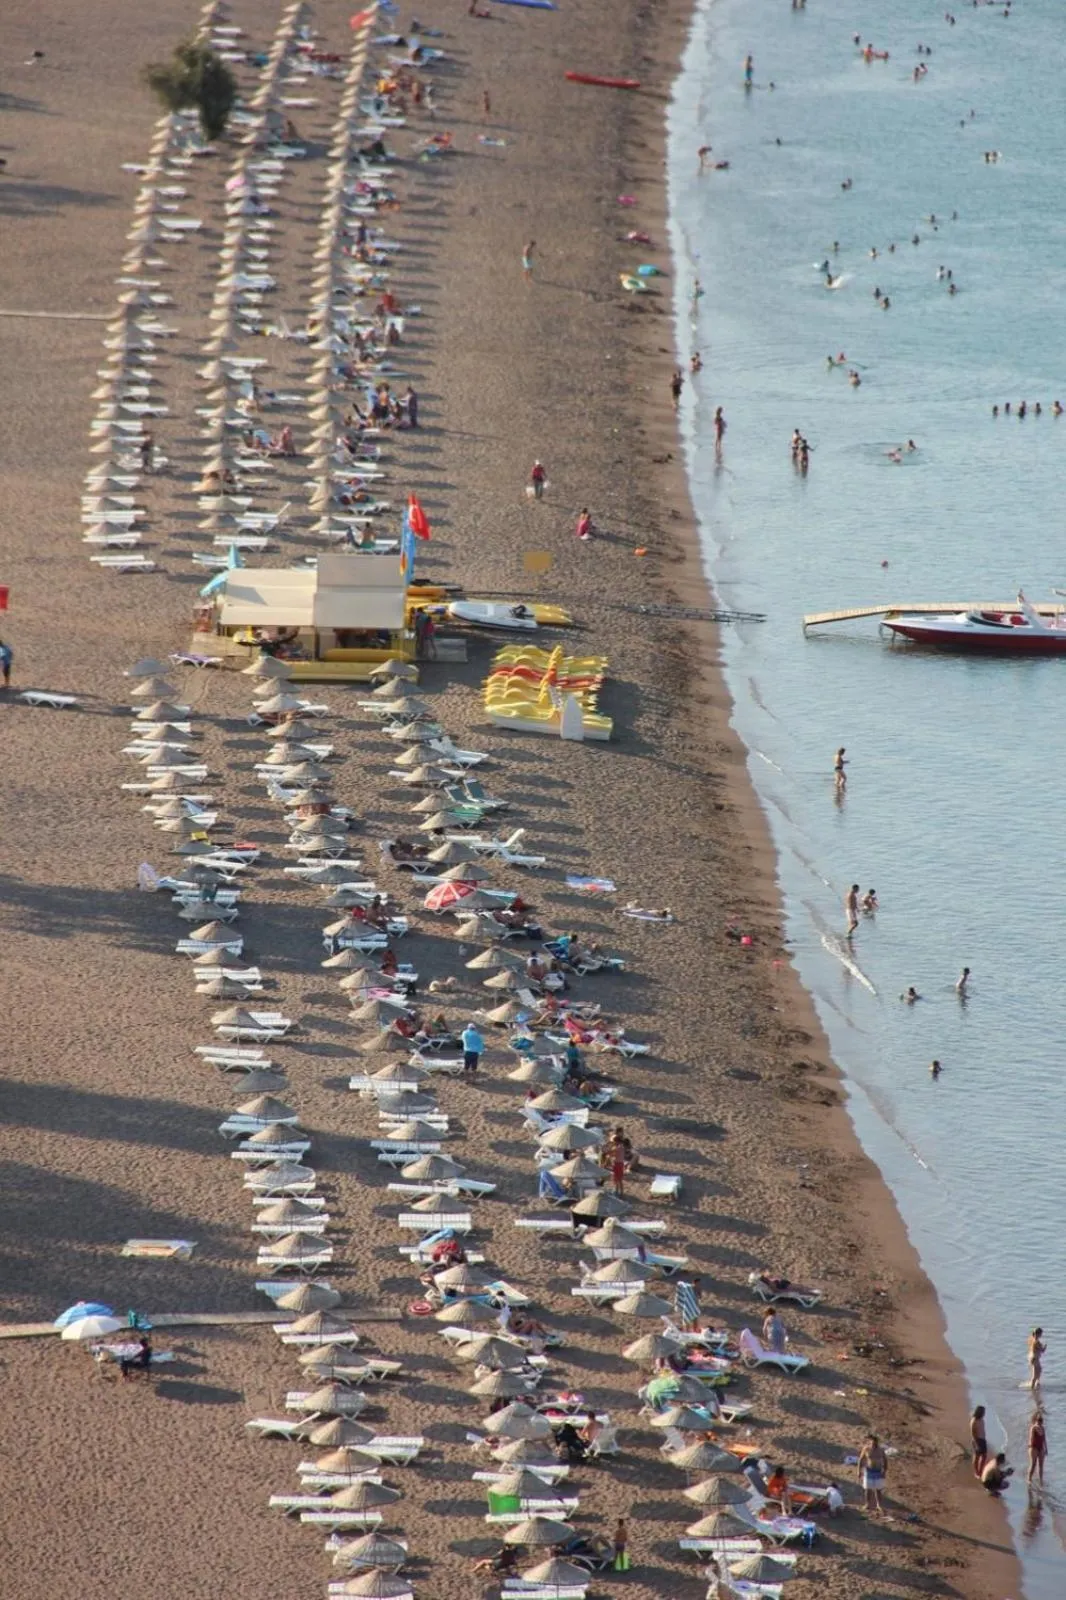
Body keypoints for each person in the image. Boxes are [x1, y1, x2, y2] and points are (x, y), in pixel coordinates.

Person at [857, 1434, 887, 1512]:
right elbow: (861, 1459)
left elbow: (885, 1460)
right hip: (869, 1471)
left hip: (878, 1471)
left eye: (875, 1443)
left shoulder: (881, 1450)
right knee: (868, 1489)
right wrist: (859, 1471)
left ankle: (879, 1505)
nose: (874, 1444)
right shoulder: (866, 1449)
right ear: (870, 1442)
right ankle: (867, 1504)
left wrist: (884, 1471)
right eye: (872, 1443)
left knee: (878, 1490)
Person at [1028, 1412, 1048, 1485]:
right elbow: (1031, 1438)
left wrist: (1046, 1448)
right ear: (1036, 1420)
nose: (1040, 1422)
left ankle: (1041, 1480)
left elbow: (1044, 1439)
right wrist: (1030, 1446)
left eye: (1041, 1421)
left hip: (1041, 1448)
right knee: (1033, 1464)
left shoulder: (1042, 1428)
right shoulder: (1033, 1428)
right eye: (1039, 1420)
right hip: (1034, 1447)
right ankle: (1029, 1479)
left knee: (1041, 1465)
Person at [970, 1405, 988, 1477]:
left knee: (984, 1456)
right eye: (983, 1412)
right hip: (977, 1439)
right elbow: (973, 1432)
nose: (984, 1413)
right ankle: (977, 1472)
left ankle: (980, 1471)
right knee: (977, 1456)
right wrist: (976, 1442)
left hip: (983, 1439)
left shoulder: (981, 1419)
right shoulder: (974, 1420)